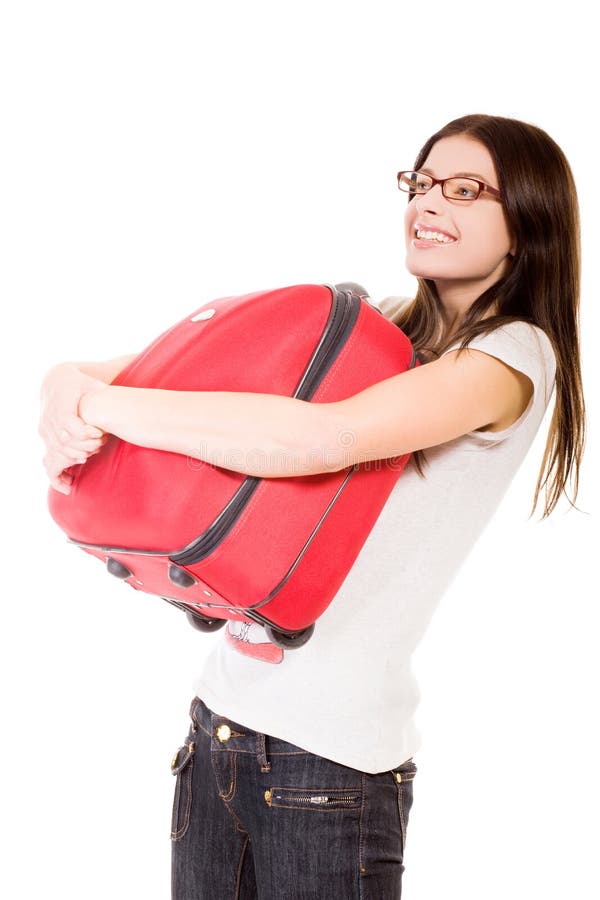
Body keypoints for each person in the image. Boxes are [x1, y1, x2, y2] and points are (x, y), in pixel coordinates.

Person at [39, 113, 585, 899]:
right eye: (421, 183)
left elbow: (319, 439)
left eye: (465, 190)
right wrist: (67, 387)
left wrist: (103, 408)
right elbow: (159, 370)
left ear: (528, 223)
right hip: (217, 731)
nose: (428, 204)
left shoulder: (511, 357)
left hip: (329, 764)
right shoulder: (390, 325)